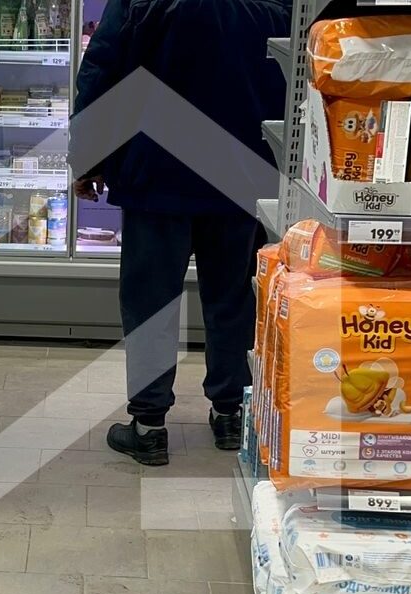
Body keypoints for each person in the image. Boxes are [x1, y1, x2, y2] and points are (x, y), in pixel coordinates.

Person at [70, 0, 292, 465]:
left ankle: (149, 426)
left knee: (151, 302)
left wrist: (88, 157)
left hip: (156, 173)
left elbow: (101, 71)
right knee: (235, 299)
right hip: (243, 173)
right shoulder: (277, 4)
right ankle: (232, 413)